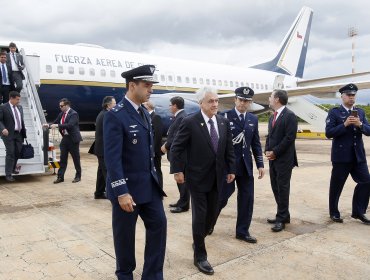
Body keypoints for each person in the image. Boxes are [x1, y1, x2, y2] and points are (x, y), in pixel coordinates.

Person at [104, 65, 167, 280]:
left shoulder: (144, 113)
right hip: (127, 191)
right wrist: (121, 191)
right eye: (147, 85)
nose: (151, 89)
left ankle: (152, 276)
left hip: (149, 188)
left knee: (159, 227)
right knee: (125, 238)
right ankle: (125, 275)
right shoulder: (115, 115)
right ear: (132, 85)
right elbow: (112, 159)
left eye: (151, 85)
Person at [170, 87, 235, 275]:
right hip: (196, 178)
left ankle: (198, 238)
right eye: (210, 101)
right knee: (200, 216)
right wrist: (177, 170)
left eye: (216, 101)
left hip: (218, 177)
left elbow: (228, 147)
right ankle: (200, 255)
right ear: (201, 103)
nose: (215, 104)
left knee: (212, 214)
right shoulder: (190, 122)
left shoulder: (223, 122)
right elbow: (177, 147)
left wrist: (232, 168)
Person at [213, 87, 264, 243]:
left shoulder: (252, 119)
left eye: (247, 100)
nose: (243, 103)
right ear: (235, 100)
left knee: (247, 199)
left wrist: (260, 164)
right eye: (241, 99)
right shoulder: (224, 117)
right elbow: (219, 143)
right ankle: (209, 223)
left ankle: (242, 231)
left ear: (250, 102)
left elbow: (255, 143)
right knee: (221, 198)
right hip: (229, 166)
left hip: (246, 165)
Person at [325, 83, 370, 225]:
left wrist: (360, 125)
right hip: (341, 157)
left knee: (366, 182)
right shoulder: (335, 112)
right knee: (337, 186)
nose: (351, 98)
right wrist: (344, 124)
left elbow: (369, 130)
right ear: (342, 96)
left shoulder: (360, 112)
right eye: (349, 95)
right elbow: (329, 133)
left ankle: (358, 211)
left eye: (353, 95)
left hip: (358, 156)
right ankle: (334, 212)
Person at [265, 89, 298, 232]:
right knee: (275, 187)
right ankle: (284, 214)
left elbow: (289, 138)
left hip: (284, 159)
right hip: (273, 158)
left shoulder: (290, 116)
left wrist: (275, 152)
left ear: (277, 99)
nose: (269, 99)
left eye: (271, 97)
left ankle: (281, 218)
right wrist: (266, 150)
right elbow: (270, 136)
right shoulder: (273, 116)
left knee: (283, 188)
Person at [161, 96, 190, 213]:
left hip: (181, 155)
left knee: (182, 180)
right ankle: (182, 201)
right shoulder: (179, 117)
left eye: (170, 105)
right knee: (180, 180)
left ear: (175, 106)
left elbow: (177, 138)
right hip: (179, 154)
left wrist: (166, 146)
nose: (169, 107)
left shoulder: (181, 118)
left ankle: (184, 205)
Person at [44, 98, 82, 184]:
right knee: (63, 158)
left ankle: (78, 176)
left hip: (73, 139)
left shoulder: (74, 114)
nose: (60, 107)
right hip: (65, 138)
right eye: (59, 106)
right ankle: (60, 177)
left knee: (76, 158)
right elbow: (55, 122)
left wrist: (57, 125)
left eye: (61, 106)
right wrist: (48, 125)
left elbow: (70, 125)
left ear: (67, 105)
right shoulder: (62, 114)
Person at [91, 96, 116, 199]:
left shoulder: (102, 114)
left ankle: (99, 193)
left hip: (100, 149)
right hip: (104, 149)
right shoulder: (107, 115)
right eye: (114, 103)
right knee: (108, 172)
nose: (116, 105)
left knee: (101, 172)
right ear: (108, 105)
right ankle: (113, 196)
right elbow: (109, 134)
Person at [0, 91, 27, 182]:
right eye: (17, 99)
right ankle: (8, 174)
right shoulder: (3, 107)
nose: (19, 101)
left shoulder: (20, 107)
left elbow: (21, 120)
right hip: (8, 134)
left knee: (17, 152)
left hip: (19, 134)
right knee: (10, 153)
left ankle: (12, 168)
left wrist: (23, 130)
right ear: (11, 98)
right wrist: (3, 129)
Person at [143, 100, 164, 189]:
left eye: (143, 106)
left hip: (154, 151)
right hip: (149, 150)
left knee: (157, 170)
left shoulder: (156, 117)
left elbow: (158, 135)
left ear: (148, 106)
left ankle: (159, 189)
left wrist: (154, 151)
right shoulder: (147, 116)